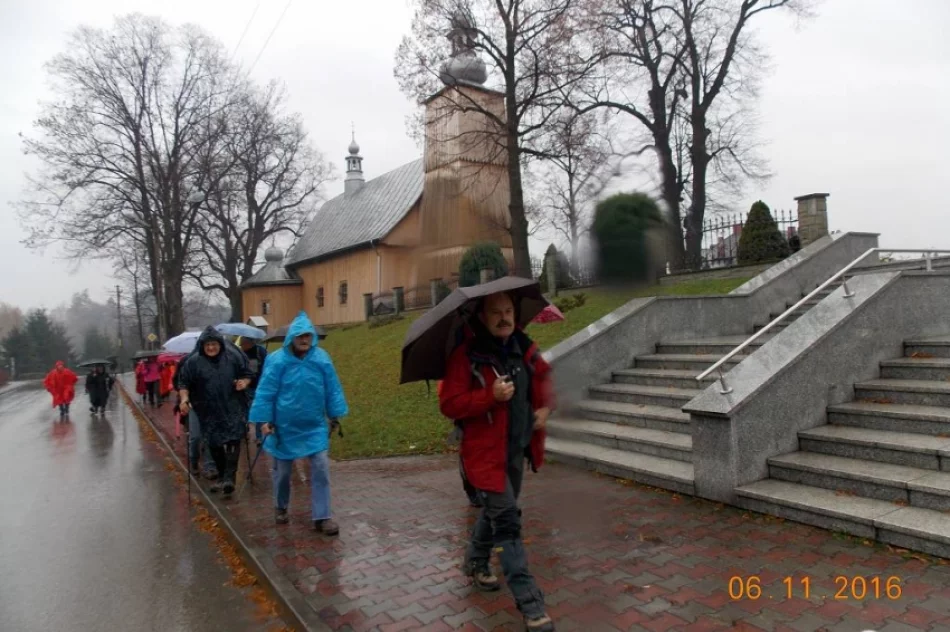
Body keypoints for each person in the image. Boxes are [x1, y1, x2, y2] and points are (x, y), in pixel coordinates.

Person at [438, 292, 556, 632]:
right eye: (496, 312)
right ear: (482, 316)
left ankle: (475, 561)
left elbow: (546, 380)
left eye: (508, 311)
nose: (504, 318)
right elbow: (450, 404)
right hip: (483, 457)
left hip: (516, 451)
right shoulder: (467, 356)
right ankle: (531, 606)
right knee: (507, 521)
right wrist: (488, 396)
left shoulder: (524, 348)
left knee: (497, 512)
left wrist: (546, 408)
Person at [249, 311, 347, 534]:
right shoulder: (276, 361)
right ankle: (281, 506)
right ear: (291, 337)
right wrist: (264, 420)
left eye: (308, 336)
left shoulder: (322, 358)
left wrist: (334, 415)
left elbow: (332, 389)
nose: (304, 340)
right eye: (300, 335)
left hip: (314, 426)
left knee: (321, 467)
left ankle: (323, 517)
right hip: (283, 428)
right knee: (283, 473)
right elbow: (265, 392)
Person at [178, 327, 253, 496]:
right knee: (214, 443)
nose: (211, 348)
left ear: (220, 344)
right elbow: (183, 384)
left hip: (232, 406)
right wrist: (184, 399)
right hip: (207, 409)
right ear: (202, 345)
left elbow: (247, 374)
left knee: (234, 439)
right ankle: (223, 476)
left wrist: (244, 382)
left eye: (214, 344)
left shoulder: (233, 357)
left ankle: (229, 478)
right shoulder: (193, 362)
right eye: (208, 344)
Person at [174, 350, 218, 479]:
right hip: (194, 405)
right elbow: (179, 382)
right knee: (195, 437)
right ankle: (193, 461)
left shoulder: (215, 362)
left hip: (211, 405)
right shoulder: (186, 361)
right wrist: (184, 398)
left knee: (208, 435)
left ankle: (209, 466)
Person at [239, 336, 268, 447]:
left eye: (243, 344)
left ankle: (259, 437)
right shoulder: (240, 354)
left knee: (259, 411)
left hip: (260, 387)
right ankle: (244, 429)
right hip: (246, 388)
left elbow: (268, 367)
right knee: (245, 410)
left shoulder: (261, 352)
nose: (241, 346)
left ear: (249, 342)